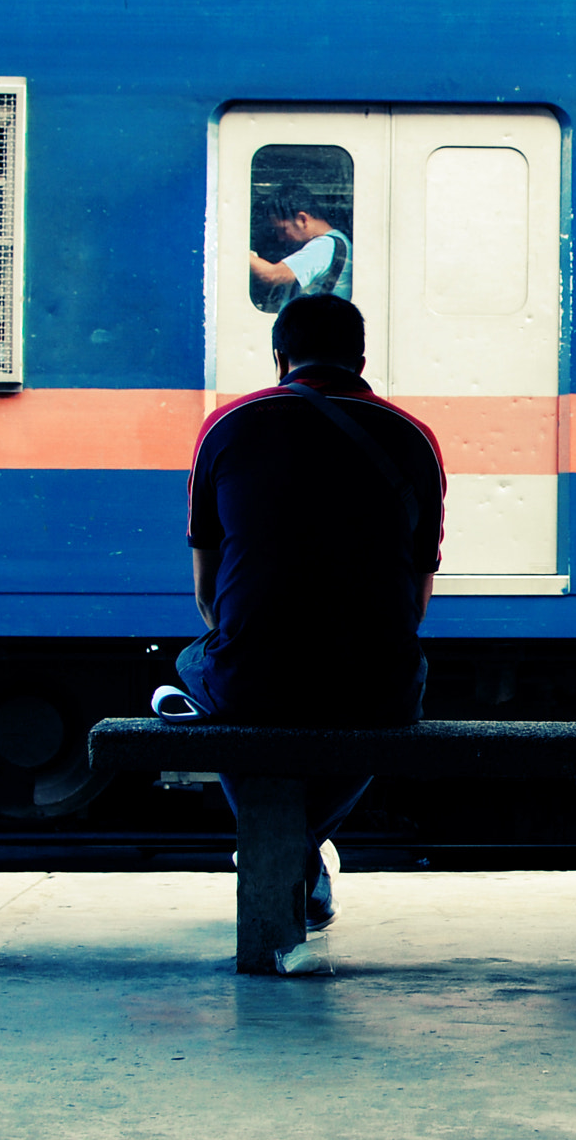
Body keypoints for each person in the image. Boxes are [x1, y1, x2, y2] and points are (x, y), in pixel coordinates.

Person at [171, 293, 445, 931]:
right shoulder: (413, 437)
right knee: (396, 685)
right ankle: (301, 851)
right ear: (362, 359)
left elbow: (209, 599)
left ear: (278, 357)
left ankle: (283, 849)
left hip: (255, 678)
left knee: (202, 662)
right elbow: (417, 602)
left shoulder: (227, 426)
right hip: (374, 682)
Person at [250, 184, 352, 308]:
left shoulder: (325, 247)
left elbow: (273, 275)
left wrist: (239, 251)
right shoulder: (333, 243)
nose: (280, 238)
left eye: (283, 230)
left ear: (302, 219)